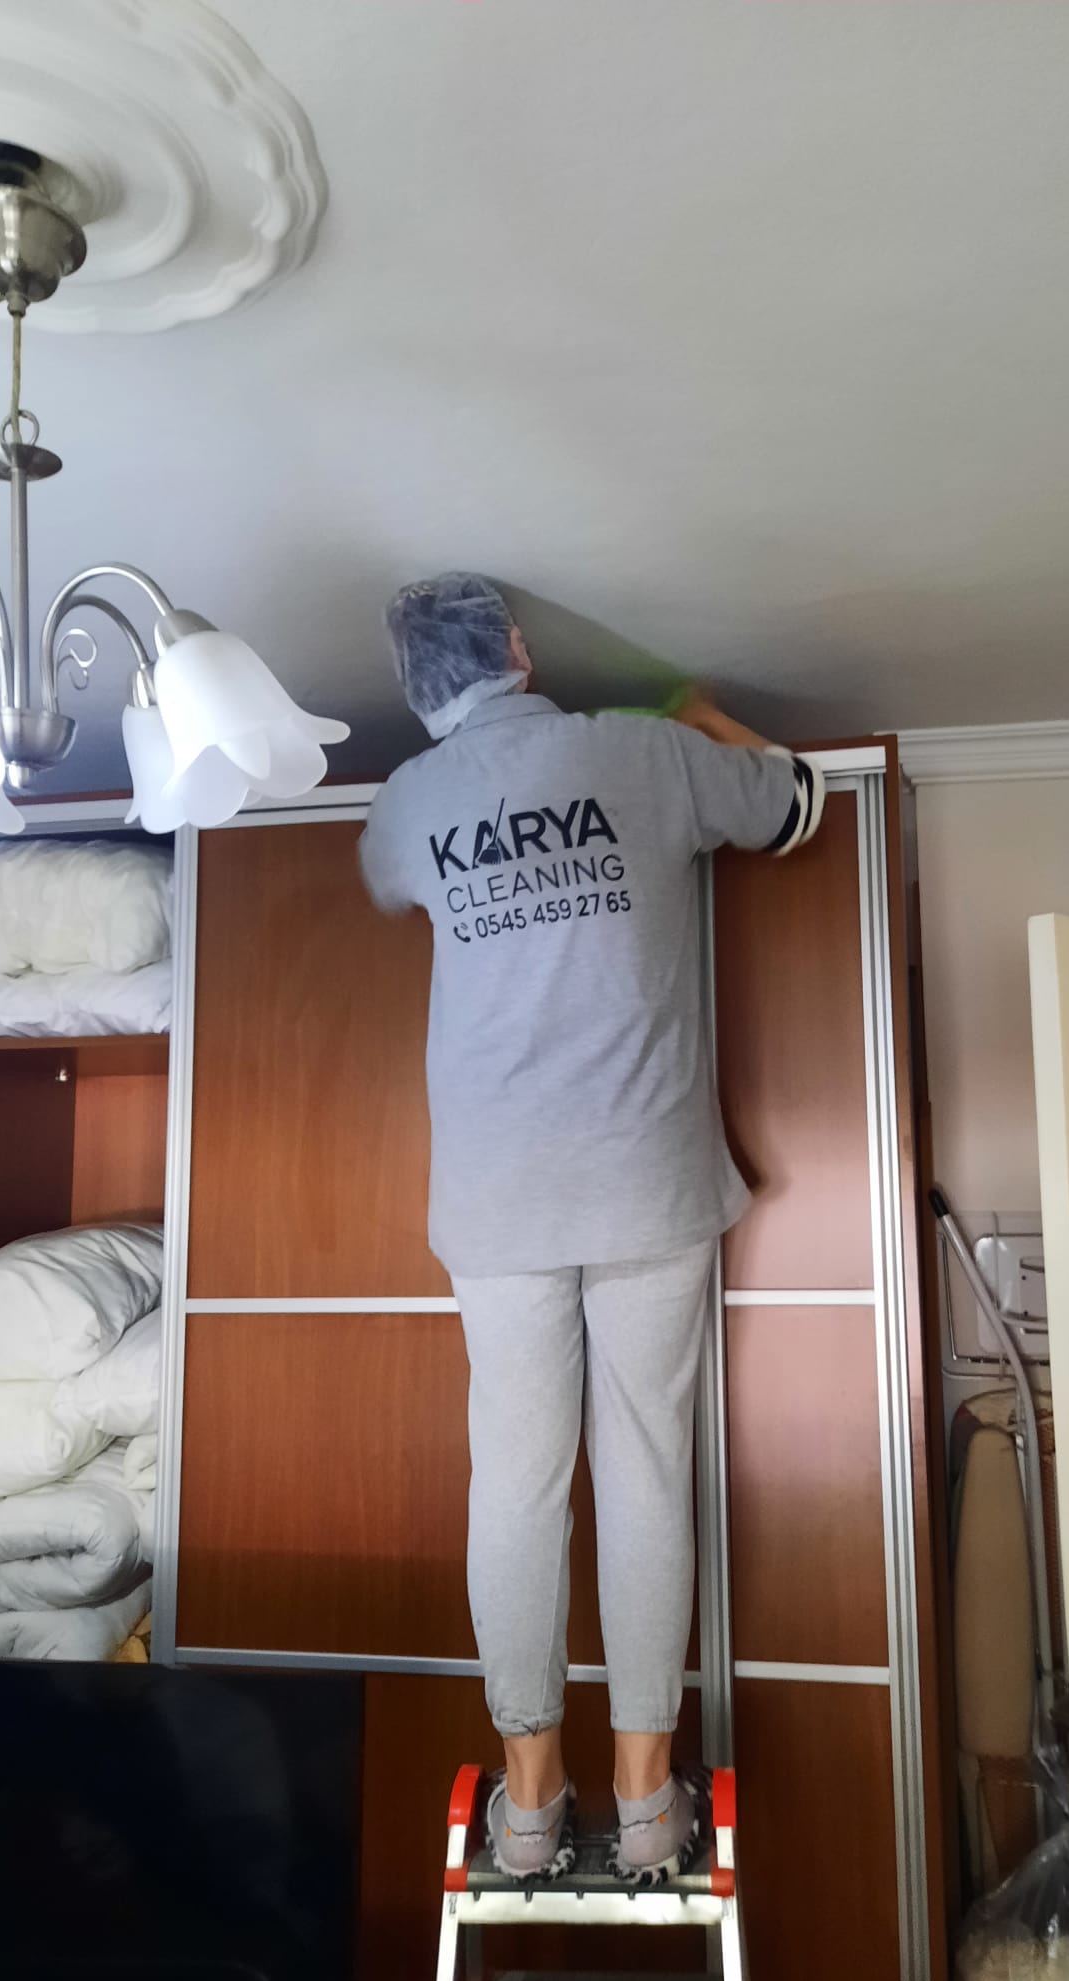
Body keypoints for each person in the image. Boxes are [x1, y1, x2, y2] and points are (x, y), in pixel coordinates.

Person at [359, 574, 825, 1883]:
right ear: (518, 649)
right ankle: (645, 1798)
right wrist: (697, 711)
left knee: (514, 1483)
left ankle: (527, 1807)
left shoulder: (409, 805)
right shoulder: (640, 753)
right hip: (644, 1184)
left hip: (498, 1201)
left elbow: (388, 881)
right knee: (643, 1469)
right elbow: (797, 803)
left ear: (417, 690)